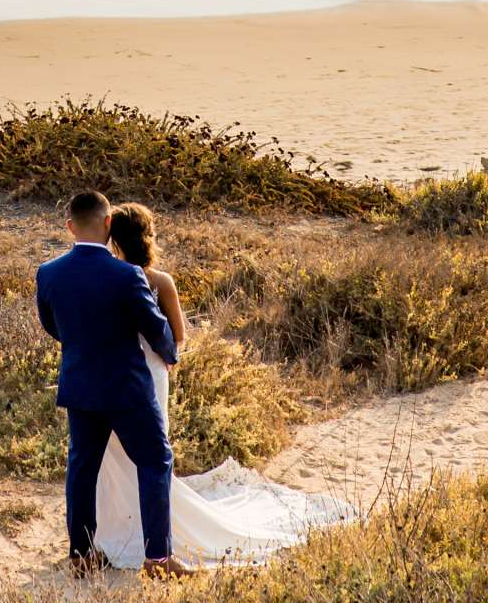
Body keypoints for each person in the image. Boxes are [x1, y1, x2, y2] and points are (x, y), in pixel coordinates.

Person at [92, 199, 357, 570]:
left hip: (107, 375)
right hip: (150, 372)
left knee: (113, 455)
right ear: (147, 237)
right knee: (151, 454)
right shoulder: (159, 281)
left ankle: (114, 531)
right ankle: (153, 540)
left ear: (111, 237)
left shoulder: (103, 278)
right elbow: (178, 335)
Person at [35, 187, 189, 581]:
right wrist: (170, 354)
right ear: (107, 223)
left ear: (69, 226)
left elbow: (53, 327)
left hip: (81, 387)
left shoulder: (48, 273)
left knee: (82, 469)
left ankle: (81, 556)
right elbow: (156, 329)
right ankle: (157, 558)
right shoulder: (128, 275)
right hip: (128, 390)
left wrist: (84, 350)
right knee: (155, 461)